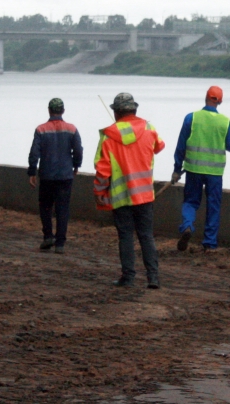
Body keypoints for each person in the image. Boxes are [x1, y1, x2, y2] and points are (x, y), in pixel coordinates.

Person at [94, 92, 166, 288]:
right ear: (135, 109)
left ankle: (128, 277)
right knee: (146, 235)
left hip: (121, 196)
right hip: (144, 195)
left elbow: (102, 170)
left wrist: (99, 193)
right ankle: (153, 277)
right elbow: (159, 146)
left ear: (116, 113)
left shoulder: (109, 136)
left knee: (125, 236)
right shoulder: (149, 128)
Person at [171, 85, 230, 251]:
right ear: (220, 101)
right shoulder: (225, 121)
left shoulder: (191, 118)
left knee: (190, 202)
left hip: (193, 170)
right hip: (214, 173)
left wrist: (177, 169)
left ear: (206, 97)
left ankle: (187, 225)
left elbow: (181, 146)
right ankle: (209, 243)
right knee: (213, 206)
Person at [27, 98, 82, 254]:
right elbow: (78, 150)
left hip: (46, 175)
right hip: (65, 175)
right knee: (62, 209)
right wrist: (76, 165)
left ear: (49, 110)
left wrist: (32, 171)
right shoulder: (72, 129)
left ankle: (48, 237)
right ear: (63, 111)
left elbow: (34, 153)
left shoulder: (41, 129)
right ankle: (60, 244)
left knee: (45, 207)